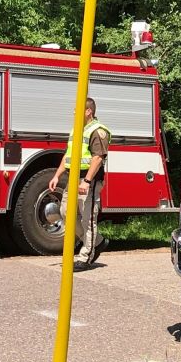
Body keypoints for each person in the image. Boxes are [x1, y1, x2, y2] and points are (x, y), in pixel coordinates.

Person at [50, 97, 111, 265]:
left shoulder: (98, 131)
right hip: (73, 179)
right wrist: (57, 175)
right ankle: (97, 242)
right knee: (65, 213)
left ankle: (86, 256)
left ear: (88, 111)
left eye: (78, 109)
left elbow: (97, 158)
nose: (74, 112)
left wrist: (87, 181)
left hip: (88, 181)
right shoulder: (76, 129)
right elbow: (68, 155)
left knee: (88, 218)